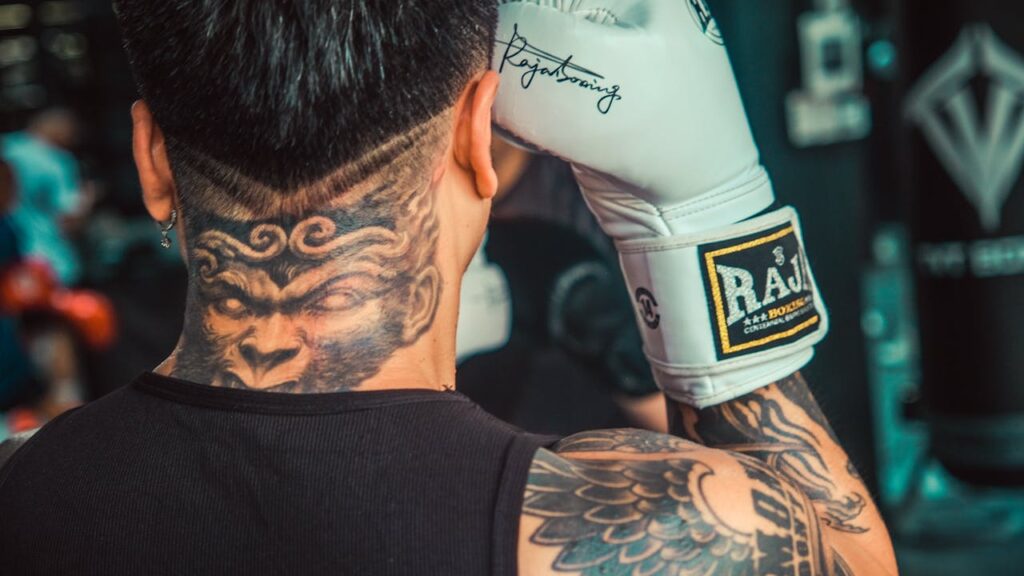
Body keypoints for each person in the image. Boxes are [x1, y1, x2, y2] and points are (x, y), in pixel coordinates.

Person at [0, 2, 897, 575]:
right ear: (479, 137)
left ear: (152, 159)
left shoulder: (18, 494)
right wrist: (708, 210)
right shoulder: (609, 537)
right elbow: (842, 549)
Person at [2, 109, 90, 286]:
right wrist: (87, 200)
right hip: (48, 261)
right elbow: (69, 219)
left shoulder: (5, 147)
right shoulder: (57, 161)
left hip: (8, 257)